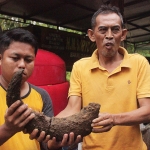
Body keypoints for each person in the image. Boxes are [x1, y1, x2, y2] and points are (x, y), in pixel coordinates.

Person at [56, 5, 150, 150]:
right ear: (92, 35)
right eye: (103, 29)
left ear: (123, 34)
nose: (109, 35)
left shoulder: (138, 63)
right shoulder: (80, 67)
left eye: (115, 29)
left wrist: (114, 119)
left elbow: (148, 110)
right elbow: (72, 109)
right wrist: (50, 125)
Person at [0, 28, 80, 150]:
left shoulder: (42, 95)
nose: (22, 65)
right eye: (15, 58)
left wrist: (53, 146)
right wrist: (7, 129)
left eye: (28, 60)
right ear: (0, 59)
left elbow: (45, 143)